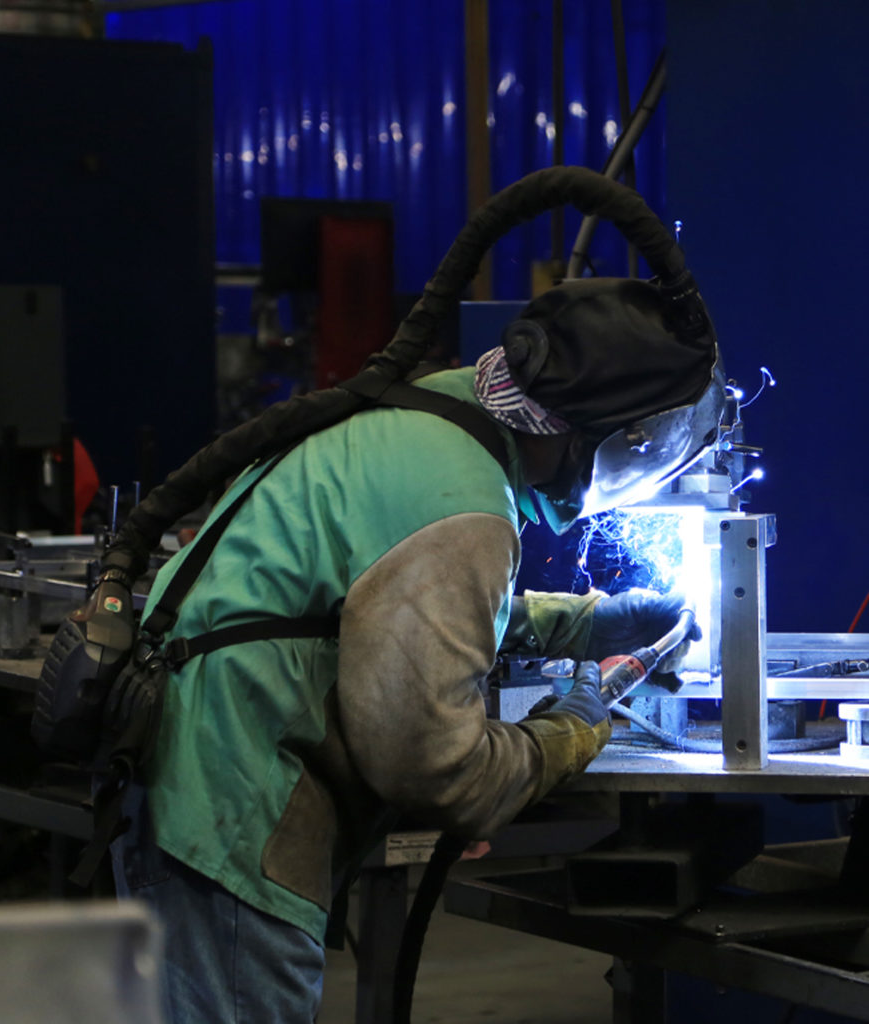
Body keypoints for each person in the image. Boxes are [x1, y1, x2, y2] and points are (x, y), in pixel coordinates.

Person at [108, 265, 723, 1023]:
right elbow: (433, 768)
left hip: (185, 778)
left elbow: (384, 597)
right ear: (603, 438)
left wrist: (590, 619)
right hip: (232, 807)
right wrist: (567, 733)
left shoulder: (425, 417)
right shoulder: (467, 507)